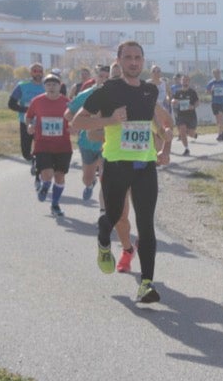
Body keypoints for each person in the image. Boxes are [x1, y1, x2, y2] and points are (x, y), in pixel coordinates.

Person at [72, 41, 172, 303]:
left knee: (146, 225)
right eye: (128, 57)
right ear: (119, 60)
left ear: (143, 60)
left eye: (138, 57)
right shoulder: (108, 91)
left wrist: (164, 142)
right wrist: (109, 120)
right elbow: (77, 123)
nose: (133, 62)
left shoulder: (150, 91)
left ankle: (146, 284)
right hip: (116, 165)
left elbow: (157, 124)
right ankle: (104, 239)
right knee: (114, 216)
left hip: (144, 166)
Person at [68, 62, 136, 271]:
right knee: (121, 217)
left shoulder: (143, 94)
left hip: (142, 162)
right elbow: (88, 130)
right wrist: (113, 128)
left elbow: (163, 124)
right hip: (113, 157)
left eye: (118, 76)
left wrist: (163, 145)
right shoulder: (99, 98)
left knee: (144, 215)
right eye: (111, 77)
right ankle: (127, 249)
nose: (114, 81)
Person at [25, 73, 75, 217]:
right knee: (48, 175)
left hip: (63, 145)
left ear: (60, 86)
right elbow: (28, 117)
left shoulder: (67, 103)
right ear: (44, 86)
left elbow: (75, 119)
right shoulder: (37, 101)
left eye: (54, 84)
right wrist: (29, 126)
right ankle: (45, 185)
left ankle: (55, 205)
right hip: (43, 144)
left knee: (59, 177)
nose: (51, 87)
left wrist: (74, 127)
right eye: (48, 84)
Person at [7, 62, 45, 191]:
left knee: (41, 150)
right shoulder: (22, 86)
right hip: (26, 121)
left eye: (40, 71)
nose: (38, 73)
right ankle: (32, 159)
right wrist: (26, 109)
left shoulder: (48, 86)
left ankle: (38, 173)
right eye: (35, 71)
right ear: (31, 73)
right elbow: (11, 104)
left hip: (43, 124)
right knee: (25, 152)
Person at [170, 74, 200, 155]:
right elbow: (173, 100)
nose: (184, 81)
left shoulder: (192, 92)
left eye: (186, 80)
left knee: (190, 133)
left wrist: (193, 106)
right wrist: (173, 101)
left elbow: (197, 102)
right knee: (182, 130)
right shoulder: (178, 92)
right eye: (183, 80)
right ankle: (186, 149)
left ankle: (194, 134)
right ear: (180, 81)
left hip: (191, 116)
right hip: (181, 115)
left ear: (189, 82)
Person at [205, 68, 223, 141]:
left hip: (222, 102)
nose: (216, 75)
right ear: (213, 74)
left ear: (220, 74)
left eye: (218, 73)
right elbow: (207, 92)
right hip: (214, 102)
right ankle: (221, 132)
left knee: (221, 118)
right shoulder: (211, 83)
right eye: (215, 73)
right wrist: (211, 90)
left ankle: (220, 135)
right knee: (217, 120)